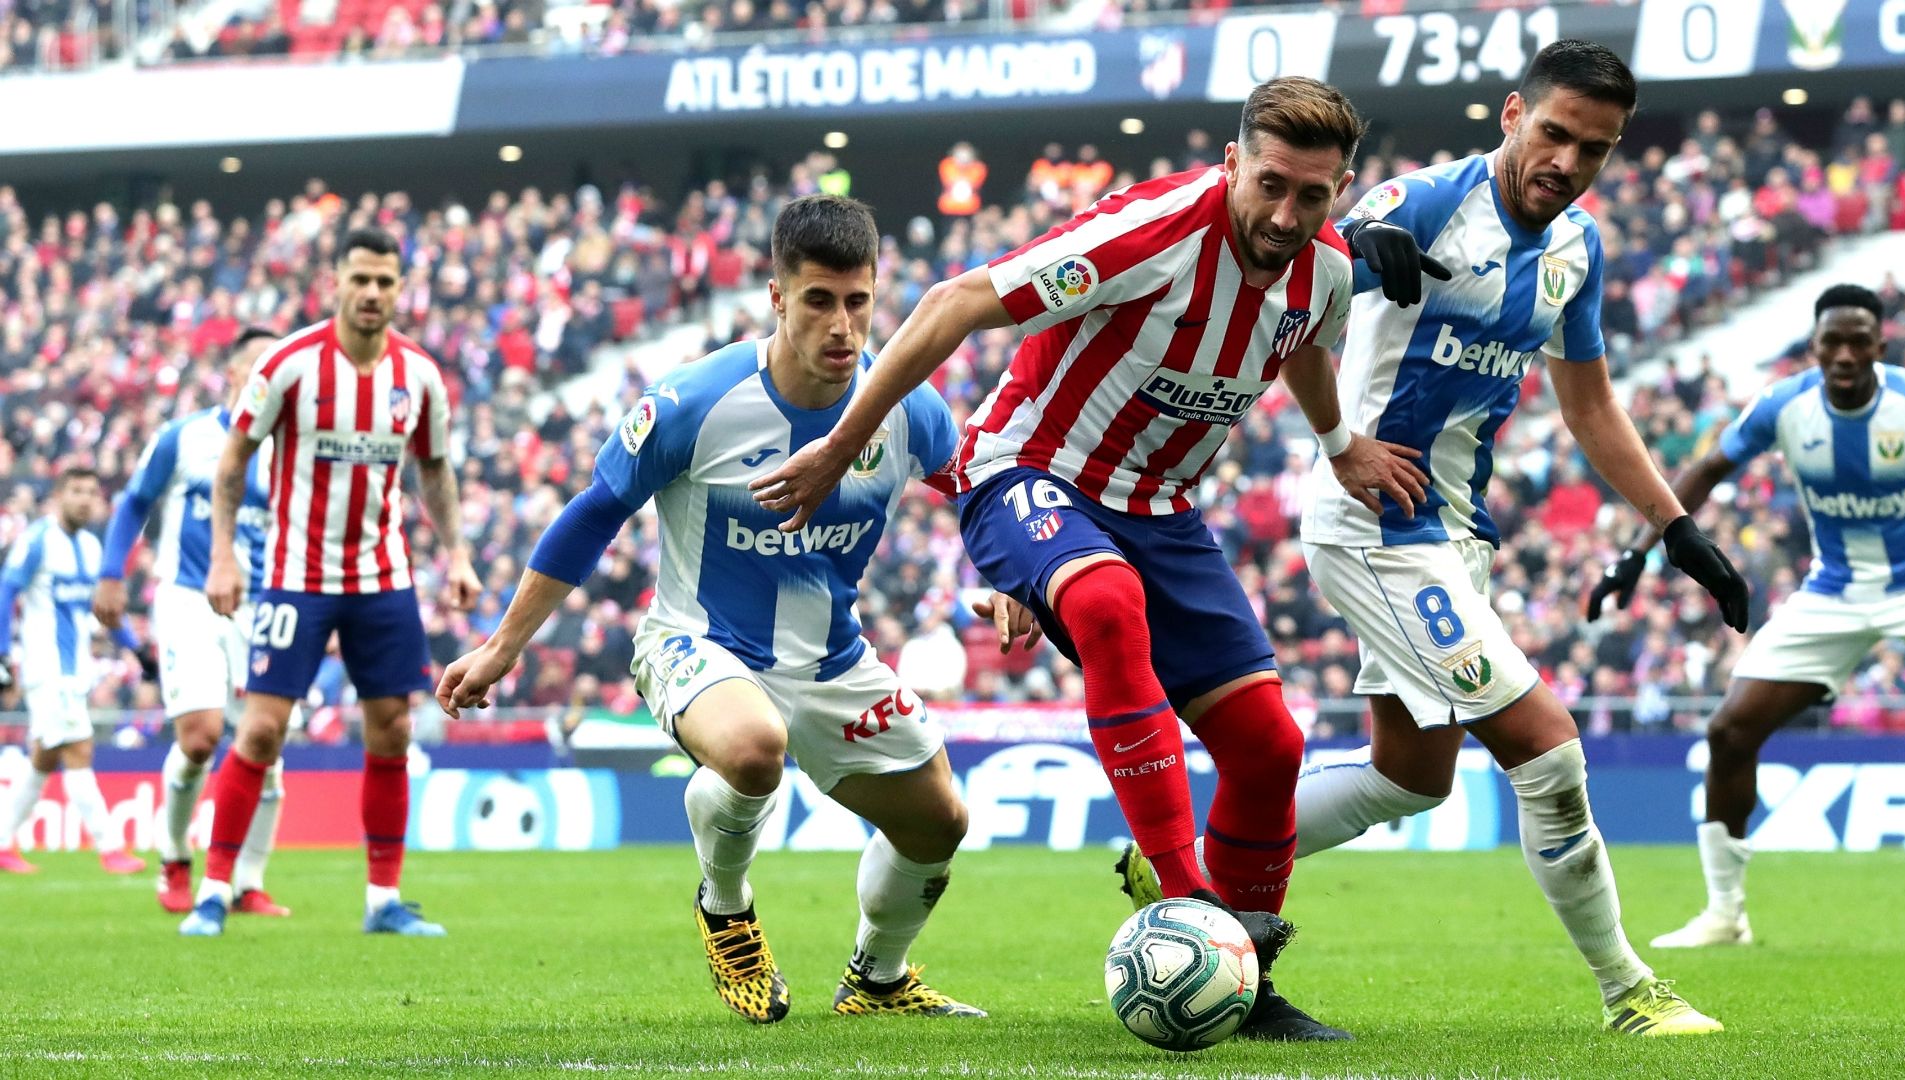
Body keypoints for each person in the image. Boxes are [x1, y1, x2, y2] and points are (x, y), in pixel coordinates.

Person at [751, 77, 1437, 1042]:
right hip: (1032, 469)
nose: (1286, 215)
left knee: (1271, 746)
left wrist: (1339, 442)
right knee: (1108, 601)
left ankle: (1239, 972)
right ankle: (1183, 896)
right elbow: (956, 301)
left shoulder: (1324, 266)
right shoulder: (1148, 234)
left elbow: (1304, 345)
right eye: (1271, 186)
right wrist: (837, 445)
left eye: (1312, 196)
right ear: (1233, 162)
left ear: (1342, 189)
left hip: (1161, 509)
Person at [1115, 41, 1747, 1036]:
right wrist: (1353, 251)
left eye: (1596, 149)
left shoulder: (1577, 250)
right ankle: (1633, 992)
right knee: (1547, 751)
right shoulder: (1418, 203)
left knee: (1411, 777)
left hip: (1456, 530)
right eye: (1553, 135)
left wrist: (1673, 524)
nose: (1568, 163)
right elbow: (1291, 266)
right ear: (1511, 116)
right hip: (1373, 516)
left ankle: (1174, 865)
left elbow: (1588, 406)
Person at [439, 194, 1015, 1024]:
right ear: (778, 298)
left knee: (939, 824)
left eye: (859, 302)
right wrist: (502, 647)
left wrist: (1005, 572)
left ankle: (878, 980)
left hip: (830, 660)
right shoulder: (694, 401)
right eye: (819, 301)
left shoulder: (907, 406)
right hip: (698, 644)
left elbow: (973, 494)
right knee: (752, 749)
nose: (843, 326)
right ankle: (726, 905)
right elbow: (593, 513)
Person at [1589, 285, 1905, 948]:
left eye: (1861, 342)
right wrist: (1633, 555)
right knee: (1731, 732)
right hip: (1831, 592)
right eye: (1834, 341)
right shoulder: (1786, 405)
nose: (1846, 354)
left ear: (1881, 347)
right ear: (1815, 345)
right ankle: (1724, 914)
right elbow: (1705, 470)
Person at [178, 228, 480, 937]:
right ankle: (215, 889)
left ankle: (383, 901)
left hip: (383, 575)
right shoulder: (288, 364)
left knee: (394, 728)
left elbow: (434, 469)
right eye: (360, 280)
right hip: (293, 575)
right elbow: (233, 459)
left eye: (385, 281)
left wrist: (459, 554)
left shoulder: (421, 377)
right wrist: (224, 555)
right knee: (261, 729)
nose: (372, 293)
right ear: (335, 283)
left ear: (400, 289)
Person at [95, 328, 294, 916]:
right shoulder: (184, 437)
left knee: (267, 747)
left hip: (266, 608)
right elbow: (134, 501)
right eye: (255, 368)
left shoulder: (290, 448)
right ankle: (175, 859)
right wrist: (112, 572)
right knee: (202, 736)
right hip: (189, 597)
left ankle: (246, 882)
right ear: (232, 376)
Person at [0, 467, 149, 876]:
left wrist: (138, 651)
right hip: (46, 666)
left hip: (75, 669)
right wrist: (0, 653)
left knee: (44, 757)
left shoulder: (90, 545)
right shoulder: (36, 541)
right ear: (59, 496)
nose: (85, 499)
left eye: (91, 492)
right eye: (77, 491)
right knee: (79, 747)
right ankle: (110, 847)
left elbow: (105, 608)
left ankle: (1, 842)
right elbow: (6, 589)